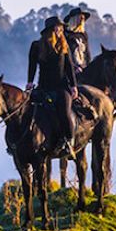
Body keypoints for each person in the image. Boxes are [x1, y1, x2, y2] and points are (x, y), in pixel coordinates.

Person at [27, 16, 78, 158]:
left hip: (61, 87)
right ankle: (24, 141)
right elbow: (32, 66)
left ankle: (69, 141)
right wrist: (30, 82)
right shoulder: (37, 46)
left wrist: (73, 86)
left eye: (61, 27)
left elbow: (69, 67)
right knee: (28, 108)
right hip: (44, 86)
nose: (60, 30)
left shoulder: (64, 45)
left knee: (65, 111)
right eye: (58, 27)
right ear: (50, 30)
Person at [63, 7, 91, 76]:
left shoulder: (83, 34)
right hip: (71, 70)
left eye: (83, 18)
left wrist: (89, 67)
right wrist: (74, 67)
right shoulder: (65, 34)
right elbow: (65, 55)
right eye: (80, 17)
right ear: (73, 19)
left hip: (84, 68)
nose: (82, 20)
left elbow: (87, 53)